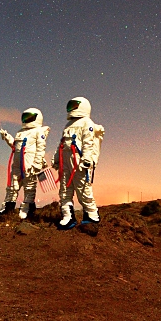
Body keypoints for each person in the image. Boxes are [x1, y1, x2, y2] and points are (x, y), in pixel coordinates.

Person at [54, 96, 104, 229]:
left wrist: (86, 160)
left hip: (79, 161)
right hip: (65, 161)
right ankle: (68, 217)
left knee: (83, 189)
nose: (72, 109)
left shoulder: (87, 123)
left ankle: (91, 215)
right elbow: (62, 143)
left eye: (74, 106)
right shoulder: (68, 125)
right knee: (64, 190)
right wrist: (56, 159)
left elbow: (88, 143)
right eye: (71, 106)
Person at [0, 108, 50, 220]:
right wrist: (7, 137)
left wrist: (37, 164)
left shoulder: (39, 132)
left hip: (30, 165)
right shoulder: (20, 132)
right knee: (12, 187)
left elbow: (40, 149)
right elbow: (15, 146)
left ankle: (28, 209)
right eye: (25, 117)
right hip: (17, 165)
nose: (27, 120)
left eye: (29, 117)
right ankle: (8, 208)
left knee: (29, 187)